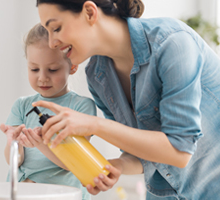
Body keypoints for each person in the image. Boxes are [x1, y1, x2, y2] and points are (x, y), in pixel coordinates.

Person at [32, 0, 220, 199]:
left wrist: (94, 125)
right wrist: (117, 165)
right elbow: (140, 153)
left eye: (56, 28)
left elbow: (179, 150)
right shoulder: (97, 75)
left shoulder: (172, 43)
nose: (52, 43)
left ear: (89, 12)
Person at [0, 23, 96, 200]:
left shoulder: (81, 107)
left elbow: (74, 163)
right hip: (21, 193)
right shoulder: (21, 106)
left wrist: (40, 143)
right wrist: (13, 144)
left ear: (73, 66)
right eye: (34, 69)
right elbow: (16, 161)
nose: (42, 77)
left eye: (52, 69)